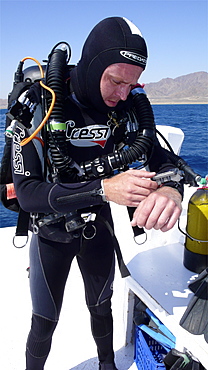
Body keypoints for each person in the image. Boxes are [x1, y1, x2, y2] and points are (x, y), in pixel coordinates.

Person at [12, 17, 183, 370]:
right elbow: (27, 194)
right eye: (117, 80)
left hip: (97, 229)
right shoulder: (40, 103)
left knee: (101, 308)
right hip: (51, 233)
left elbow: (168, 161)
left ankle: (108, 366)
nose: (123, 93)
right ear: (92, 65)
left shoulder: (128, 106)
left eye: (133, 84)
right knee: (44, 323)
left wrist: (170, 190)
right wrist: (105, 188)